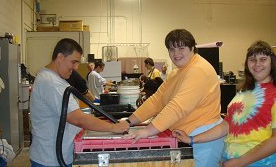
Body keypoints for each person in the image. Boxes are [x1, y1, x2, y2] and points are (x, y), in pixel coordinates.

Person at [123, 29, 224, 167]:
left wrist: (147, 131)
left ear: (193, 48)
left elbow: (178, 107)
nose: (176, 54)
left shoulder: (199, 70)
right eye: (172, 49)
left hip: (203, 138)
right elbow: (157, 100)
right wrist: (129, 122)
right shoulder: (176, 73)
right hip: (184, 136)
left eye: (181, 48)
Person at [173, 40, 276, 167]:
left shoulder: (274, 93)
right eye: (252, 59)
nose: (257, 64)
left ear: (272, 62)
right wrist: (192, 139)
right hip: (228, 161)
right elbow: (226, 125)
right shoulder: (243, 93)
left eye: (263, 59)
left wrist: (239, 162)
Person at [30, 38, 129, 167]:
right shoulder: (51, 82)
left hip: (55, 155)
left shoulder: (54, 79)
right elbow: (77, 118)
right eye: (74, 62)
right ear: (60, 57)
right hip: (50, 159)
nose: (76, 67)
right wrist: (113, 127)